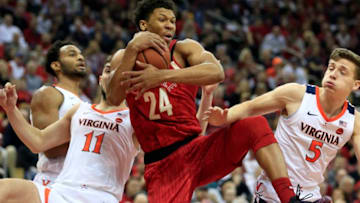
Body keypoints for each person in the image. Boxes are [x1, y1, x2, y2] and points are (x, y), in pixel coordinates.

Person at [108, 0, 298, 202]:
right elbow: (113, 98)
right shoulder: (125, 57)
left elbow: (217, 72)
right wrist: (132, 49)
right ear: (144, 25)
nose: (169, 25)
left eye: (172, 21)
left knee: (255, 123)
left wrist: (162, 76)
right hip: (163, 163)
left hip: (198, 150)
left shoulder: (184, 49)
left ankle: (289, 198)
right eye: (162, 19)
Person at [204, 48, 360, 202]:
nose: (333, 74)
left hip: (309, 195)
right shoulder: (297, 95)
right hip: (271, 192)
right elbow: (249, 107)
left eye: (342, 72)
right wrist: (224, 117)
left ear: (355, 85)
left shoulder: (354, 121)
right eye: (331, 67)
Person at [0, 59, 139, 203]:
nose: (112, 76)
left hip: (101, 196)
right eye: (108, 71)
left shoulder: (134, 119)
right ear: (100, 79)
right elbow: (38, 142)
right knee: (5, 189)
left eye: (118, 72)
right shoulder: (80, 110)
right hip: (62, 192)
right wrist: (11, 109)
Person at [30, 40, 86, 186]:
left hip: (78, 182)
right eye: (72, 54)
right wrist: (93, 147)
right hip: (54, 181)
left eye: (81, 54)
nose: (80, 58)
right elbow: (49, 147)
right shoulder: (48, 93)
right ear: (56, 65)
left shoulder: (85, 102)